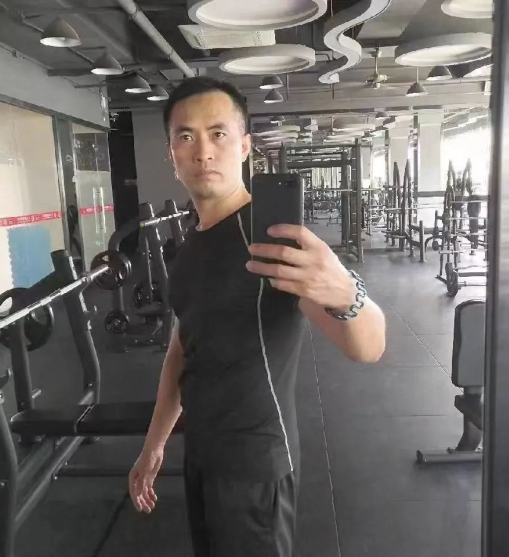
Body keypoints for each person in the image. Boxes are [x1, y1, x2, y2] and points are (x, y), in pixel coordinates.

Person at [128, 77, 386, 557]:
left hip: (255, 467)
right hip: (201, 452)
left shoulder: (271, 240)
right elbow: (182, 349)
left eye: (218, 134)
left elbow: (368, 346)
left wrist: (348, 293)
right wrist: (154, 444)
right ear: (172, 153)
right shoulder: (190, 244)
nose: (203, 151)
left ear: (245, 147)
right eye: (186, 136)